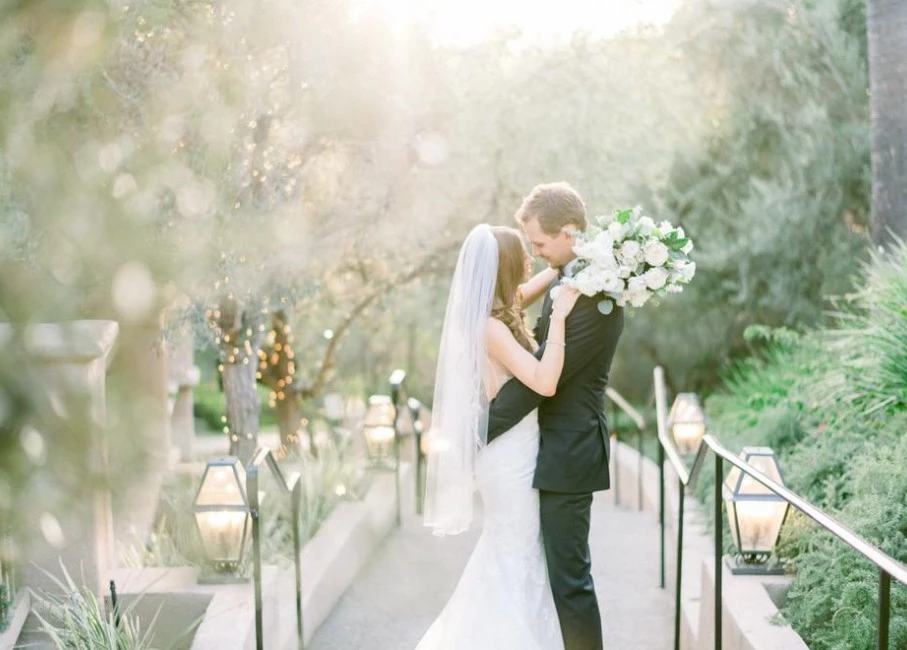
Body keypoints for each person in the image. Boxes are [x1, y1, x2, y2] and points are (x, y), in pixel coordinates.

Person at [417, 223, 580, 650]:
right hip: (510, 461)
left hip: (517, 452)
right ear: (505, 267)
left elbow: (545, 279)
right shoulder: (491, 328)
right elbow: (544, 382)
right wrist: (560, 318)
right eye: (524, 256)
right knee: (515, 559)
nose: (532, 260)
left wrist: (576, 266)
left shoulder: (494, 313)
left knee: (515, 559)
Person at [488, 182, 624, 650]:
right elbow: (506, 307)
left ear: (569, 232)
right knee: (551, 577)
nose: (536, 252)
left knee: (570, 582)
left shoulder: (591, 294)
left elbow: (541, 383)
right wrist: (553, 271)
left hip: (569, 453)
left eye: (541, 244)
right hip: (550, 452)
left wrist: (477, 429)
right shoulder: (572, 277)